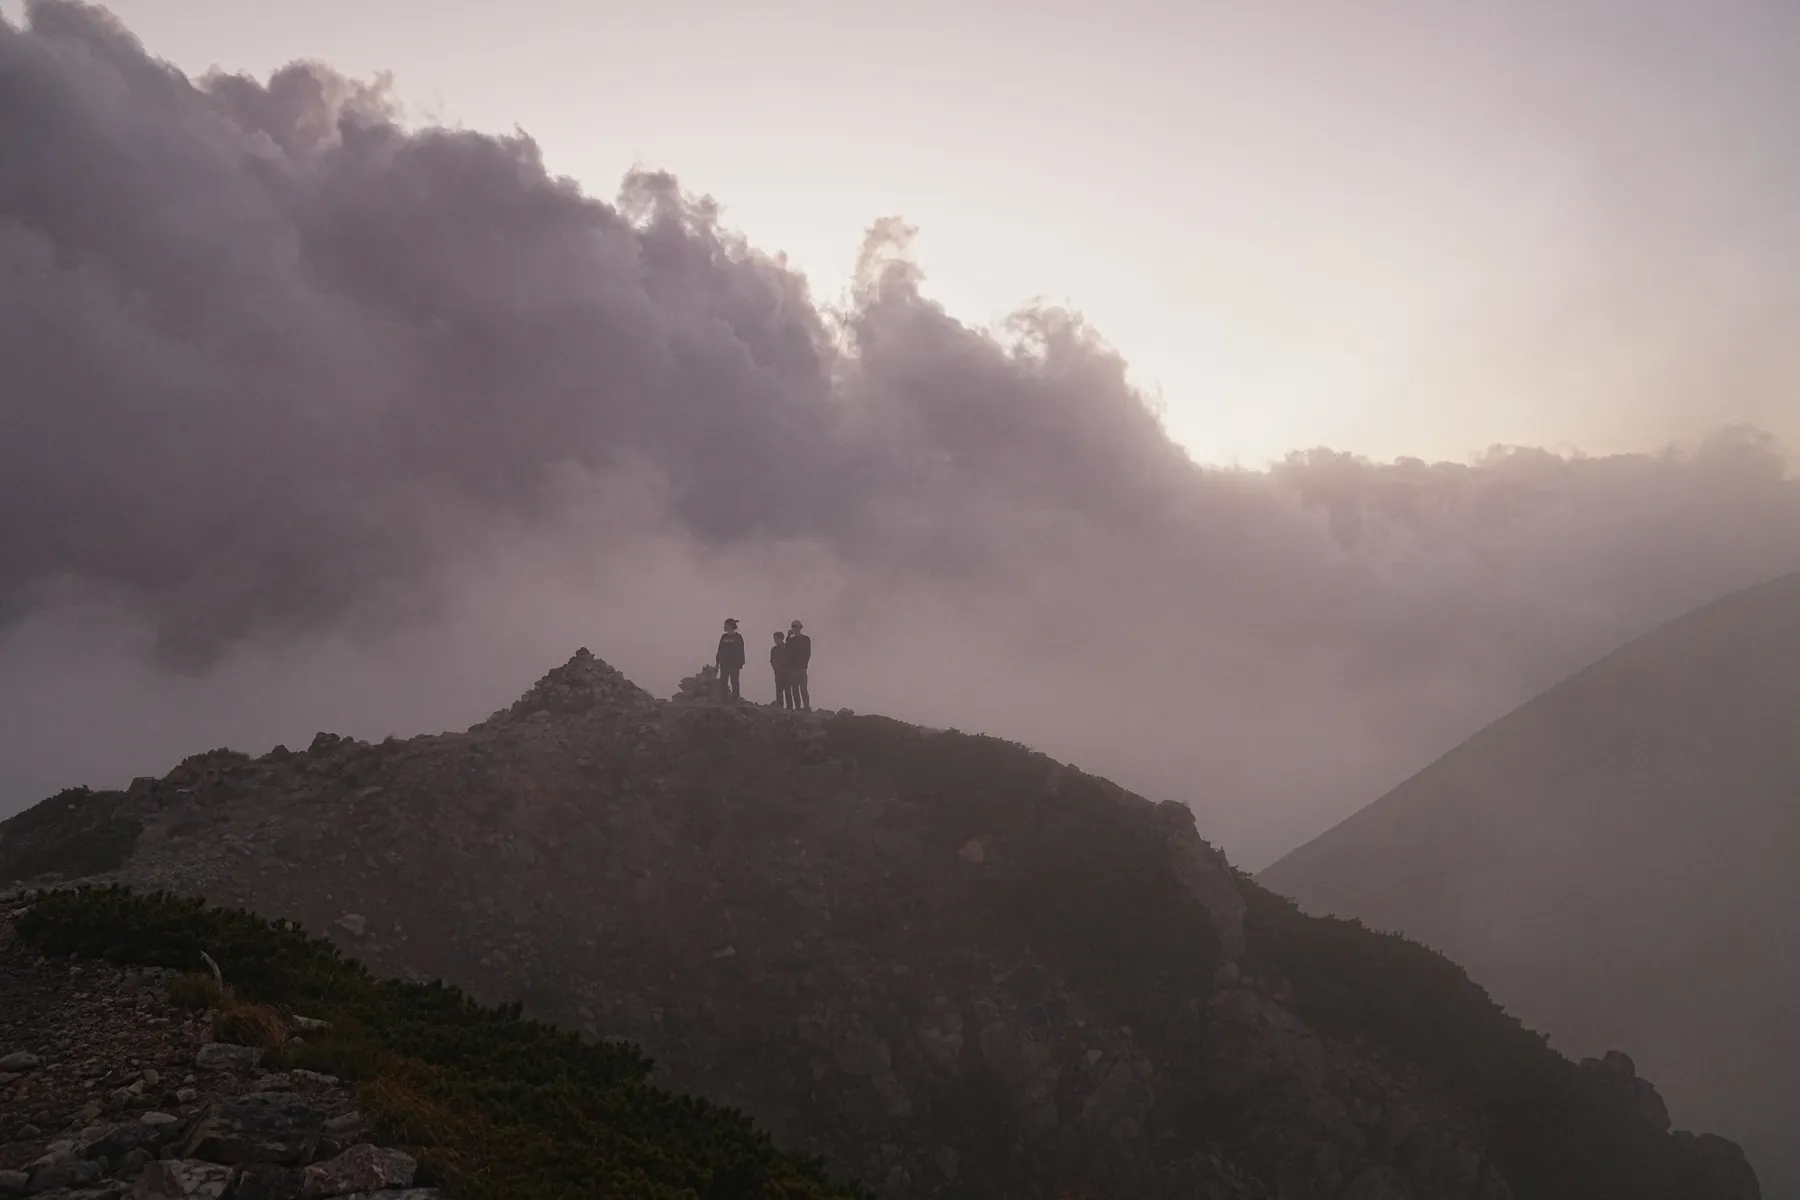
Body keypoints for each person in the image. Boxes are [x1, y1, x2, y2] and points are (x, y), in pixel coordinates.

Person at [715, 618, 746, 701]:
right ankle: (724, 699)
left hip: (734, 664)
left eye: (726, 625)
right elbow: (720, 650)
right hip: (724, 664)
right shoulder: (724, 637)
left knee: (734, 682)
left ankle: (735, 700)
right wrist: (717, 662)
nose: (724, 627)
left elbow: (741, 650)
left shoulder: (738, 637)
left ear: (731, 626)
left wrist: (741, 663)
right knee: (723, 682)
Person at [785, 619, 812, 710]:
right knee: (795, 689)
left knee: (803, 688)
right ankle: (798, 708)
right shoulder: (791, 640)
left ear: (800, 628)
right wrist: (788, 637)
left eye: (796, 626)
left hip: (801, 666)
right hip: (793, 667)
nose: (795, 628)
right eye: (793, 626)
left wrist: (805, 664)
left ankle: (806, 707)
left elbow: (808, 652)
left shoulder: (806, 639)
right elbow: (787, 650)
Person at [770, 631, 793, 709]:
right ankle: (780, 709)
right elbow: (772, 661)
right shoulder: (774, 649)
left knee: (788, 692)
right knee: (779, 692)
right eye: (774, 638)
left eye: (776, 638)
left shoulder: (787, 647)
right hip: (778, 673)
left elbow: (790, 658)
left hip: (787, 673)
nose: (775, 640)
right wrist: (776, 667)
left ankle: (790, 709)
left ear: (780, 638)